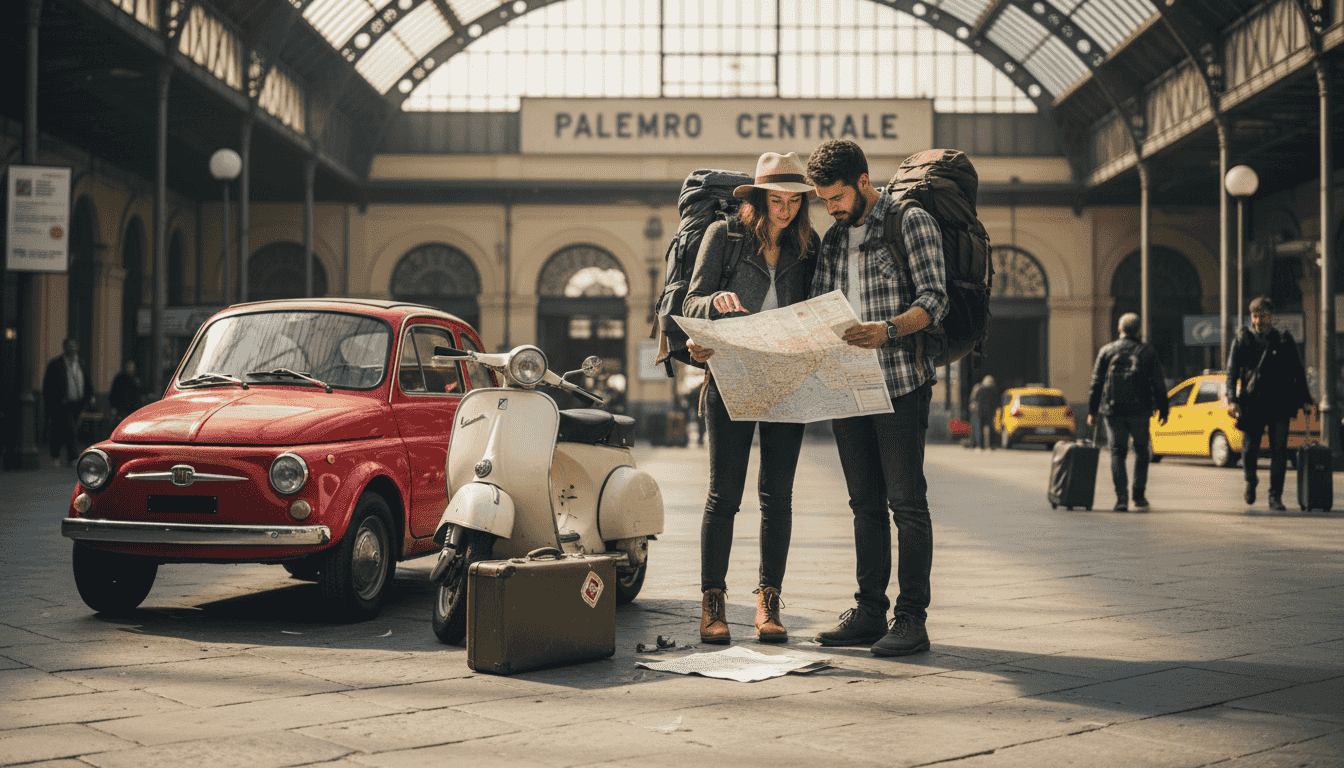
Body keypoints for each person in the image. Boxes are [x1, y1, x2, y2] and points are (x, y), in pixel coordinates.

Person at [804, 139, 948, 657]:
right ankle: (869, 612)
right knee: (864, 505)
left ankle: (911, 618)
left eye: (837, 197)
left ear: (863, 182)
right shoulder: (833, 238)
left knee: (906, 503)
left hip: (900, 382)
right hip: (848, 388)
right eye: (824, 200)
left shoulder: (909, 222)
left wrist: (887, 330)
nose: (831, 208)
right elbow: (818, 304)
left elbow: (935, 299)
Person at [682, 151, 820, 644]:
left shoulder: (808, 247)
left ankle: (768, 600)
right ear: (758, 199)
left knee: (777, 497)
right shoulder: (725, 236)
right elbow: (691, 300)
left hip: (786, 380)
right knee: (724, 495)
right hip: (731, 377)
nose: (785, 210)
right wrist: (713, 303)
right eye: (776, 200)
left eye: (794, 201)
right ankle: (713, 602)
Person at [1226, 296, 1313, 511]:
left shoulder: (1283, 339)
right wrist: (1232, 400)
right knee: (1249, 449)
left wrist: (1305, 400)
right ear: (1251, 317)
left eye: (1263, 316)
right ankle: (1251, 480)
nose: (1259, 321)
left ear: (1271, 317)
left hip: (1279, 403)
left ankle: (1275, 496)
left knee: (1279, 451)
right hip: (1252, 403)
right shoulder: (1242, 339)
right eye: (1255, 316)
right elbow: (1232, 372)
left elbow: (1297, 371)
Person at [1086, 312, 1170, 511]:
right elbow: (1158, 383)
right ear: (1139, 330)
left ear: (1119, 329)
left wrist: (1092, 412)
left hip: (1113, 411)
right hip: (1140, 411)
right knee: (1141, 452)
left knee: (1117, 453)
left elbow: (1096, 384)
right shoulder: (1147, 352)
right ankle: (1139, 497)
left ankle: (1121, 499)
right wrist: (1163, 409)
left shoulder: (1107, 351)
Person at [42, 338, 94, 468]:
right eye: (69, 346)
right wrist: (52, 402)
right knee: (71, 429)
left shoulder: (80, 363)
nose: (72, 348)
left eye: (74, 345)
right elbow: (47, 385)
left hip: (78, 403)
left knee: (60, 430)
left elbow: (86, 380)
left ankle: (56, 455)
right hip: (62, 403)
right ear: (64, 347)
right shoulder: (56, 364)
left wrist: (90, 396)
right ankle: (72, 457)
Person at [969, 375, 1000, 450]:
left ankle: (979, 445)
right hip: (984, 411)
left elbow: (974, 400)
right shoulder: (993, 389)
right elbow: (996, 402)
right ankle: (985, 445)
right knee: (984, 428)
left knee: (979, 428)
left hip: (981, 411)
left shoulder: (980, 388)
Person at [109, 359, 143, 425]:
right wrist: (113, 407)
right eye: (129, 367)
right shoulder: (119, 379)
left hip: (132, 409)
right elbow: (114, 393)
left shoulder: (135, 380)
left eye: (132, 367)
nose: (131, 369)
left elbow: (137, 395)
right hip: (121, 408)